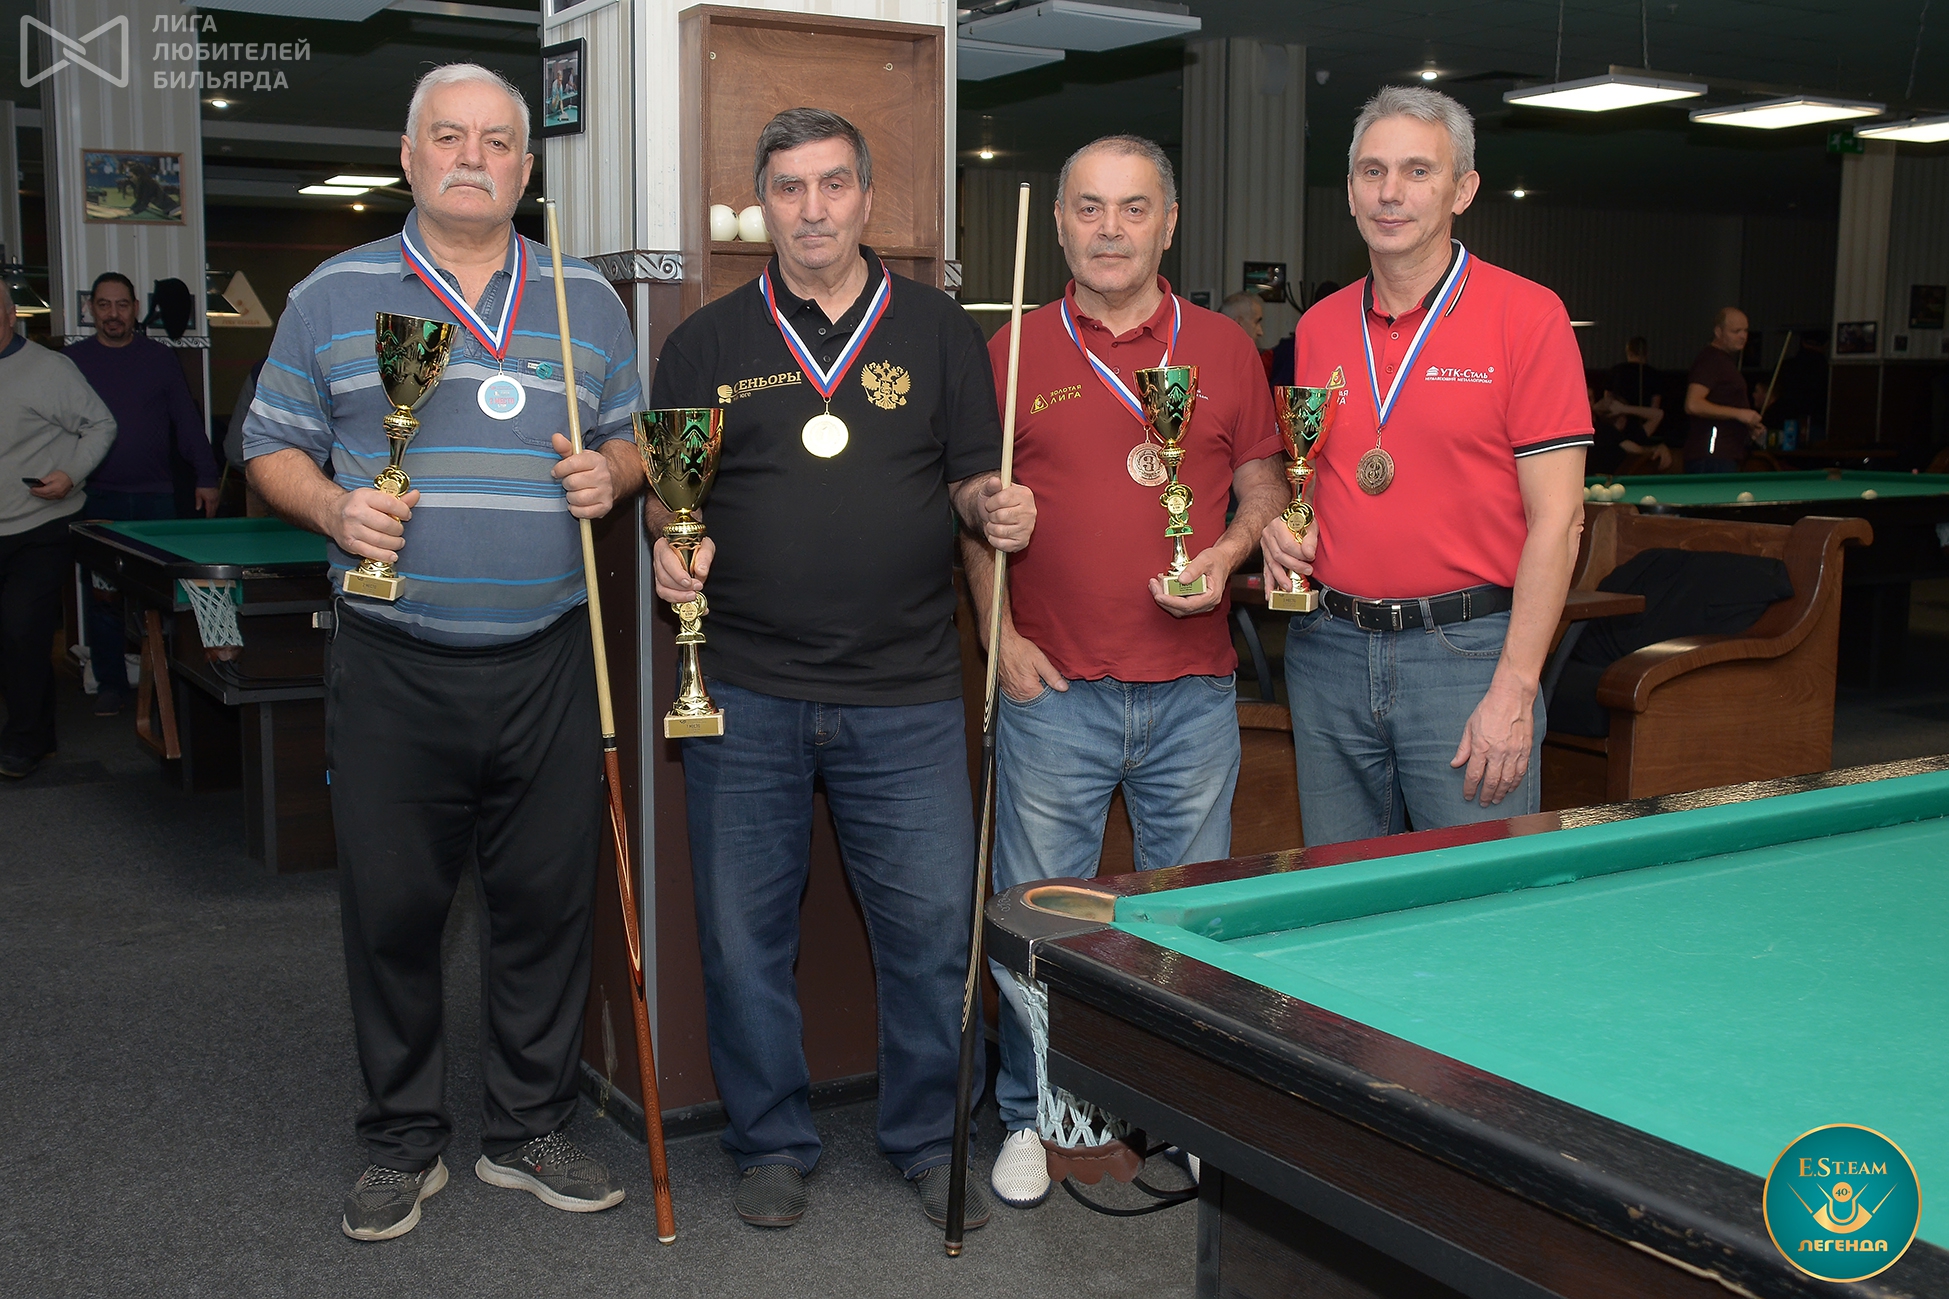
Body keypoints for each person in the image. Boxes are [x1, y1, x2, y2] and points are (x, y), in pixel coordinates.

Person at [243, 63, 644, 1243]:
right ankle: (401, 1139)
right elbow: (269, 446)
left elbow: (632, 440)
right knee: (392, 910)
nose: (473, 157)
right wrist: (334, 508)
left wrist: (611, 474)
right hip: (393, 657)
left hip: (549, 655)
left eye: (496, 140)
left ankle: (527, 1129)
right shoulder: (332, 292)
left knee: (544, 906)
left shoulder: (584, 298)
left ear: (525, 165)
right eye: (449, 137)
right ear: (410, 157)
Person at [646, 106, 1033, 1234]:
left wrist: (992, 503)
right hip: (743, 685)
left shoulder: (939, 330)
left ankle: (926, 1137)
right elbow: (671, 499)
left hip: (905, 692)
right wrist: (668, 544)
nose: (810, 209)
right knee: (741, 938)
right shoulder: (706, 341)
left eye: (831, 185)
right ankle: (769, 1140)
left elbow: (968, 481)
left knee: (932, 937)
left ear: (867, 198)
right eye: (787, 188)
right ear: (761, 203)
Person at [965, 135, 1286, 1210]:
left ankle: (1176, 1114)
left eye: (1133, 208)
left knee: (1181, 927)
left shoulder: (1223, 348)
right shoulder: (1010, 351)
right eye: (1090, 208)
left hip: (1193, 692)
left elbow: (1263, 484)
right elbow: (971, 514)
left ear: (1169, 222)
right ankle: (1031, 1112)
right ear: (1060, 224)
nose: (1110, 229)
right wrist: (999, 639)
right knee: (1042, 923)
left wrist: (1229, 554)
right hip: (1052, 691)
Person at [1259, 86, 1590, 847]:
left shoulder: (1527, 315)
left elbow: (1559, 520)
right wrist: (1285, 524)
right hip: (1329, 650)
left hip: (1466, 657)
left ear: (1462, 190)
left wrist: (1515, 687)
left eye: (1417, 171)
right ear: (1349, 191)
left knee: (1479, 896)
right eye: (1371, 171)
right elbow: (1315, 476)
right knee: (1340, 892)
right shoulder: (1318, 326)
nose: (1390, 192)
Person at [65, 271, 218, 714]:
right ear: (91, 309)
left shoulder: (160, 358)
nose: (113, 314)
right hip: (96, 498)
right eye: (104, 305)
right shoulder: (71, 362)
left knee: (164, 597)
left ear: (135, 309)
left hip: (156, 498)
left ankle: (176, 686)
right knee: (104, 596)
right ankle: (111, 683)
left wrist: (207, 477)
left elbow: (186, 420)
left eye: (122, 305)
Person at [0, 280, 117, 779]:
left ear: (11, 316)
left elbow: (101, 425)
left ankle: (27, 741)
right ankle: (34, 730)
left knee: (21, 631)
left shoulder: (49, 370)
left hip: (39, 524)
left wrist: (70, 473)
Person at [1683, 308, 1763, 473]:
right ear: (1718, 332)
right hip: (1711, 455)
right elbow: (1693, 404)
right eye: (1736, 331)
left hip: (1722, 454)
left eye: (1745, 330)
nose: (1743, 336)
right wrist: (1740, 414)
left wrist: (1747, 426)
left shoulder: (1723, 361)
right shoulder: (1711, 360)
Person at [1595, 337, 1670, 472]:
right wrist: (1625, 410)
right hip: (1636, 425)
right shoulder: (1606, 433)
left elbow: (1607, 402)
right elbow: (1655, 409)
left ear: (1628, 352)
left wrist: (1621, 409)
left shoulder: (1615, 371)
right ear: (1646, 353)